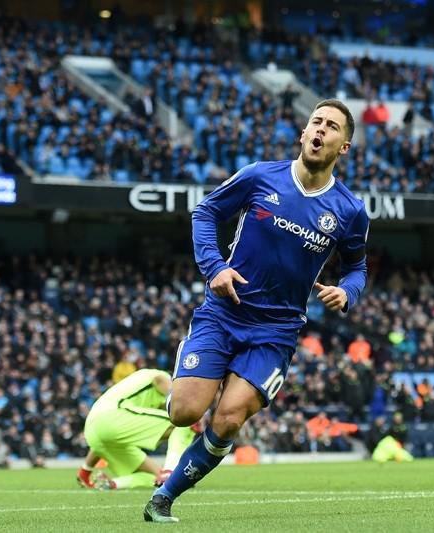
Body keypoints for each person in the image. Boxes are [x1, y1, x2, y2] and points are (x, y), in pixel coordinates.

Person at [144, 99, 369, 523]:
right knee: (185, 413)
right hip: (224, 313)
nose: (321, 129)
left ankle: (163, 498)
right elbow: (205, 212)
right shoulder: (259, 176)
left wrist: (347, 292)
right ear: (303, 133)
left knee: (229, 418)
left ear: (343, 146)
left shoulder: (349, 210)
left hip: (276, 331)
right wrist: (215, 268)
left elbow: (357, 268)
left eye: (331, 126)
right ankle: (184, 375)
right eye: (316, 122)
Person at [78, 368, 195, 491]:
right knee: (184, 422)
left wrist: (85, 470)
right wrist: (181, 403)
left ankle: (112, 483)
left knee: (156, 476)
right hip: (114, 415)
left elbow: (100, 438)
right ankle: (170, 471)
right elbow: (159, 379)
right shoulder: (162, 376)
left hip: (93, 430)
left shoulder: (134, 387)